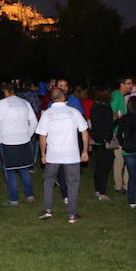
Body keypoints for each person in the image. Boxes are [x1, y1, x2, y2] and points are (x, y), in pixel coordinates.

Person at [36, 88, 90, 223]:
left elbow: (42, 136)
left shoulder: (47, 114)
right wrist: (85, 151)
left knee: (48, 181)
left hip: (53, 155)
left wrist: (43, 154)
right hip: (71, 155)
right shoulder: (73, 112)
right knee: (72, 183)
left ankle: (48, 210)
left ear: (51, 99)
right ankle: (72, 214)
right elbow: (84, 132)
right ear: (64, 97)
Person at [0, 82, 38, 206]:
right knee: (24, 169)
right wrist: (27, 135)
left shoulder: (3, 103)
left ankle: (14, 199)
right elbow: (34, 121)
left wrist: (0, 139)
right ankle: (29, 196)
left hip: (8, 142)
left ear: (5, 91)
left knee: (10, 171)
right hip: (23, 141)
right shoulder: (25, 102)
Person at [89, 89, 115, 201]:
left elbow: (94, 124)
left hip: (97, 140)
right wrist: (118, 120)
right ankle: (102, 192)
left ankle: (97, 190)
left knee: (99, 166)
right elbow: (109, 126)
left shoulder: (94, 107)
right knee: (105, 167)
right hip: (105, 141)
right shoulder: (106, 108)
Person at [110, 76, 134, 193]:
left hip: (121, 131)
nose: (131, 86)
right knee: (122, 158)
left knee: (121, 158)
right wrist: (120, 118)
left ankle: (122, 185)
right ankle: (121, 185)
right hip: (119, 133)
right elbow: (111, 112)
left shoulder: (118, 95)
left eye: (131, 83)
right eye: (128, 83)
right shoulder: (117, 96)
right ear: (122, 84)